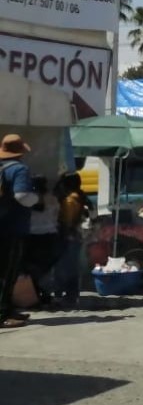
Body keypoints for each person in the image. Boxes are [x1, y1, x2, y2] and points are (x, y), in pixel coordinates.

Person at [0, 133, 40, 329]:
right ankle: (2, 314)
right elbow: (22, 196)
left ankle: (7, 309)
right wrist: (36, 198)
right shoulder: (19, 169)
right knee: (8, 272)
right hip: (12, 227)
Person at [22, 176, 60, 306]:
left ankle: (37, 293)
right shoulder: (53, 198)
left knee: (32, 268)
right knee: (45, 269)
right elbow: (56, 215)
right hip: (50, 235)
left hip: (33, 236)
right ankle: (44, 293)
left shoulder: (31, 200)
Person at [54, 172, 89, 307]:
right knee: (71, 267)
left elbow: (67, 221)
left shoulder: (70, 200)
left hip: (68, 236)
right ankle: (72, 295)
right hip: (75, 236)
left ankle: (66, 295)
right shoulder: (78, 196)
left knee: (64, 267)